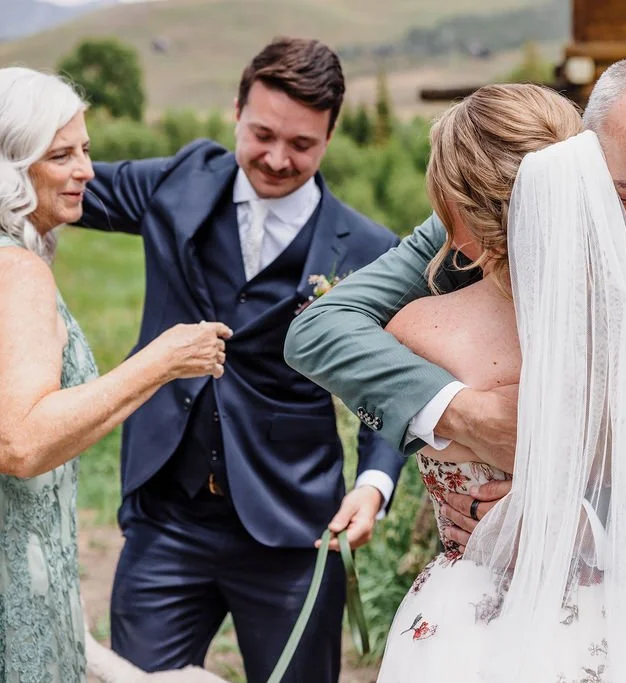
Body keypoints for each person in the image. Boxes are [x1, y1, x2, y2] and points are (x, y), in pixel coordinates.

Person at [286, 59, 626, 683]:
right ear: (582, 159)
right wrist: (465, 411)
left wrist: (578, 524)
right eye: (623, 195)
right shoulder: (477, 219)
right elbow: (319, 329)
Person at [76, 38, 406, 682]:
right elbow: (62, 184)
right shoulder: (178, 182)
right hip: (165, 520)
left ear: (331, 136)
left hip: (294, 533)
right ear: (236, 110)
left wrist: (374, 484)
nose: (278, 159)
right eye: (262, 134)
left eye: (303, 145)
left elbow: (389, 389)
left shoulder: (366, 249)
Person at [0, 67, 228, 683]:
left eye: (87, 150)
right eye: (62, 155)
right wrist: (160, 362)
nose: (88, 172)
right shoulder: (16, 272)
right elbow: (20, 444)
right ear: (12, 167)